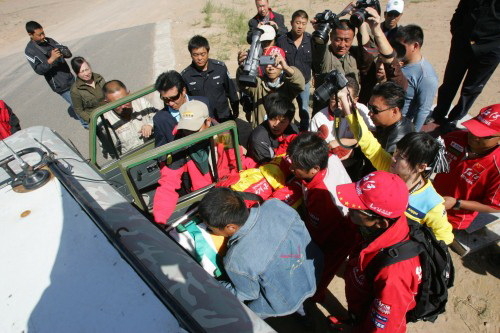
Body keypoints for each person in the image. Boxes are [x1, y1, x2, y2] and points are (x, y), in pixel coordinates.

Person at [339, 87, 454, 244]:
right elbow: (366, 141)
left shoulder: (431, 204)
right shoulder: (390, 168)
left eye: (402, 157)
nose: (393, 159)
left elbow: (445, 238)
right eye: (396, 153)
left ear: (421, 166)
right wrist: (346, 104)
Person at [197, 186, 322, 319]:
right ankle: (304, 314)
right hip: (310, 272)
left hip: (283, 302)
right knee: (301, 301)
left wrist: (216, 284)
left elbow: (249, 294)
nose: (210, 231)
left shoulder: (236, 260)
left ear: (231, 227)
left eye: (211, 228)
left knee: (248, 314)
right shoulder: (276, 205)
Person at [335, 171, 421, 333]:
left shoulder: (394, 275)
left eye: (356, 208)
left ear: (380, 223)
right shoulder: (375, 227)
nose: (349, 207)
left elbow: (382, 328)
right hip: (361, 307)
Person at [287, 132, 355, 303]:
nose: (291, 169)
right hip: (339, 218)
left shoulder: (322, 196)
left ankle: (314, 295)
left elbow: (318, 233)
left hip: (341, 234)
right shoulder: (327, 157)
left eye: (296, 167)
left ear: (314, 169)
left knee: (324, 267)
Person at [153, 100, 238, 224]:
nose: (189, 135)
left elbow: (236, 160)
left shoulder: (222, 134)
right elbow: (168, 185)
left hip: (227, 190)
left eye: (194, 129)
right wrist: (159, 221)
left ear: (208, 122)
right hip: (200, 200)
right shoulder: (178, 146)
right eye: (187, 130)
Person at [430, 0, 500, 131]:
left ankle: (454, 119)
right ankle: (438, 114)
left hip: (491, 48)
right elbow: (462, 8)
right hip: (463, 41)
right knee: (450, 81)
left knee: (471, 89)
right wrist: (456, 29)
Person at [433, 104, 500, 230]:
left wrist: (457, 203)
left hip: (452, 219)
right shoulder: (454, 138)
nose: (475, 136)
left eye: (484, 135)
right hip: (428, 198)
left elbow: (495, 206)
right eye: (474, 129)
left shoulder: (497, 167)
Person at [237, 46, 305, 128]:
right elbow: (244, 85)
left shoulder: (288, 84)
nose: (270, 67)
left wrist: (286, 68)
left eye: (274, 62)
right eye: (267, 62)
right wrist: (242, 68)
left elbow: (300, 84)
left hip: (284, 130)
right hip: (262, 130)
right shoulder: (259, 83)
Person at [356, 6, 408, 105]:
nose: (380, 67)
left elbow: (390, 62)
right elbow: (365, 51)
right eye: (379, 61)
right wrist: (362, 22)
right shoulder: (371, 77)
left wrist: (377, 29)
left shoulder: (399, 85)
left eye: (384, 64)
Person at [181, 35, 239, 123]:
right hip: (201, 122)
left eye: (202, 54)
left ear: (208, 52)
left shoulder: (220, 69)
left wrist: (235, 111)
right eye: (195, 55)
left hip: (223, 119)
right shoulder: (186, 76)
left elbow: (231, 92)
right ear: (191, 55)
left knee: (226, 137)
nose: (199, 58)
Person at [310, 74, 374, 153]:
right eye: (334, 99)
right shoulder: (318, 119)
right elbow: (311, 149)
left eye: (344, 99)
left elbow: (372, 137)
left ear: (355, 100)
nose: (339, 104)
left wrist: (348, 142)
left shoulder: (362, 111)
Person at [396, 24, 438, 131]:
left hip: (400, 124)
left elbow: (423, 110)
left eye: (402, 46)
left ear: (415, 46)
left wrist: (411, 136)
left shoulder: (426, 77)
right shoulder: (401, 61)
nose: (397, 49)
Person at [153, 70, 212, 147]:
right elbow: (160, 152)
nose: (170, 103)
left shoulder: (203, 102)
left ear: (183, 91)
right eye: (165, 99)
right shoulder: (160, 120)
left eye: (174, 98)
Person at [276, 10, 313, 131]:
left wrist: (315, 76)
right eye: (297, 22)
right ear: (291, 23)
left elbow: (315, 61)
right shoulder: (282, 40)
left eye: (303, 23)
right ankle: (287, 131)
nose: (300, 26)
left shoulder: (310, 40)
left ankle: (304, 132)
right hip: (288, 83)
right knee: (286, 109)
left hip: (305, 83)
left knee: (304, 109)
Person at [100, 80, 156, 155]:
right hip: (132, 160)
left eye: (125, 100)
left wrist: (150, 124)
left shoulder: (141, 103)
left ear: (129, 94)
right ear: (107, 103)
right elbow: (110, 152)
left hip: (155, 149)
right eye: (117, 104)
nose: (123, 106)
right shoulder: (105, 122)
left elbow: (159, 116)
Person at [24, 21, 74, 105]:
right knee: (79, 109)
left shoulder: (49, 40)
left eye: (43, 33)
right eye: (39, 35)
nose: (43, 36)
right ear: (30, 35)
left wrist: (63, 51)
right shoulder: (29, 50)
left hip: (70, 79)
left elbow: (68, 54)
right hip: (60, 85)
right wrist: (52, 59)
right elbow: (38, 70)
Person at [247, 94, 298, 164]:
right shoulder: (258, 139)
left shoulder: (293, 131)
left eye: (282, 121)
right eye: (273, 119)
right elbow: (267, 168)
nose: (276, 125)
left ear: (289, 121)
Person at [367, 81, 414, 154]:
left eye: (375, 110)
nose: (369, 113)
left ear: (394, 111)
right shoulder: (394, 122)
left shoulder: (394, 147)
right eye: (369, 107)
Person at [70, 57, 106, 125]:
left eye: (87, 69)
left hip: (110, 111)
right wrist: (92, 120)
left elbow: (108, 92)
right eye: (82, 71)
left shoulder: (99, 78)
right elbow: (78, 110)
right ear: (76, 73)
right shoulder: (75, 90)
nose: (86, 73)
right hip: (97, 119)